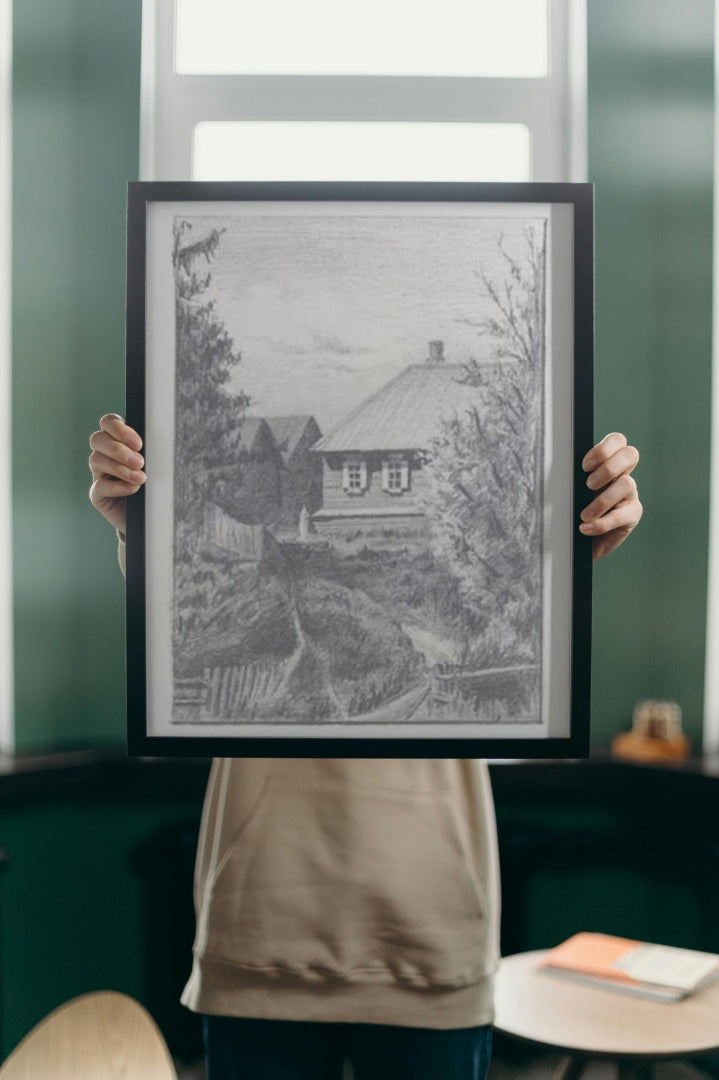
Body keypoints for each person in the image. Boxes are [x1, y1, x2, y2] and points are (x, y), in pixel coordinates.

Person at [89, 416, 642, 1080]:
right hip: (261, 924)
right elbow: (189, 617)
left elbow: (508, 627)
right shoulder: (236, 560)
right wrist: (140, 525)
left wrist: (562, 562)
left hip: (433, 927)